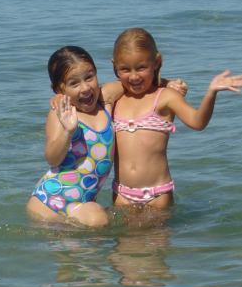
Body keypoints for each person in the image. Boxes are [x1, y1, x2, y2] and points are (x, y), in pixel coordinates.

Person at [100, 27, 242, 208]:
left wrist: (211, 92)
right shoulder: (116, 97)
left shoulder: (166, 97)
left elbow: (198, 122)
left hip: (158, 195)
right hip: (121, 193)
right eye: (125, 69)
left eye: (141, 67)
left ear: (156, 62)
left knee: (157, 237)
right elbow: (88, 94)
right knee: (124, 237)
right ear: (114, 66)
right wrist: (59, 96)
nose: (134, 76)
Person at [26, 46, 115, 227]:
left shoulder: (105, 102)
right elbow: (52, 159)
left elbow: (135, 83)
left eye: (90, 77)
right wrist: (68, 131)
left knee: (94, 239)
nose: (85, 88)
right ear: (59, 89)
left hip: (81, 207)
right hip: (49, 205)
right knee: (98, 221)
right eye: (74, 83)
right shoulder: (63, 113)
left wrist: (166, 84)